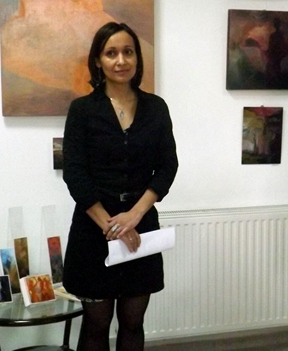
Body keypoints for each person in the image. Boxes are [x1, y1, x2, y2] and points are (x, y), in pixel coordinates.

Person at [62, 22, 178, 351]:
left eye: (128, 52)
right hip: (93, 232)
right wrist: (112, 226)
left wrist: (134, 216)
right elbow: (75, 174)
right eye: (111, 53)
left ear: (137, 58)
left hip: (141, 228)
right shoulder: (82, 110)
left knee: (132, 322)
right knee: (96, 325)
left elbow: (167, 167)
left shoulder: (156, 108)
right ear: (98, 61)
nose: (121, 60)